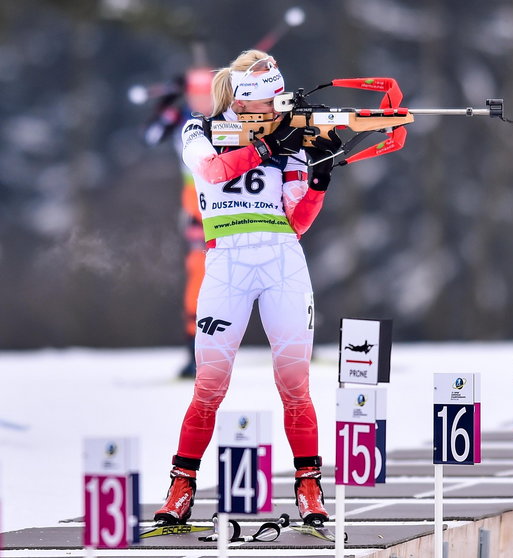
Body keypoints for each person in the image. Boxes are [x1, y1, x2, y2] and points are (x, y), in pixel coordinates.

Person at [153, 49, 342, 527]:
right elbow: (213, 173)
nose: (276, 108)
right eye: (268, 102)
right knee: (209, 386)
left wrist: (318, 176)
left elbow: (297, 221)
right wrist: (266, 147)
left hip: (281, 260)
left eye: (280, 100)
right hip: (226, 265)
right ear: (244, 100)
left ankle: (309, 485)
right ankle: (181, 484)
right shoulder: (199, 129)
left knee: (295, 385)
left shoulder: (288, 134)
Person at [142, 67, 215, 378]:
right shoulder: (181, 117)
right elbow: (151, 135)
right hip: (196, 206)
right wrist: (166, 104)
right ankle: (195, 351)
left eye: (207, 93)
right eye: (195, 93)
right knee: (198, 273)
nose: (201, 100)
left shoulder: (228, 114)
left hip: (233, 204)